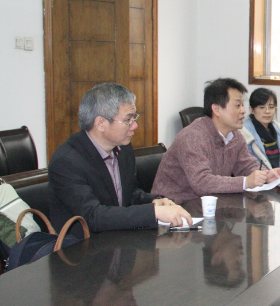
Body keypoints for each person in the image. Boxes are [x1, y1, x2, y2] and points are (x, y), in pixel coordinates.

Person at [48, 83, 192, 235]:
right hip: (81, 245)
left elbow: (128, 193)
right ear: (101, 124)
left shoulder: (123, 148)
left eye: (134, 118)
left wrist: (153, 201)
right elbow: (93, 216)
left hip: (118, 239)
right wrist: (153, 212)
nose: (135, 126)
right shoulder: (66, 162)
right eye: (128, 119)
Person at [152, 78, 280, 204]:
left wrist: (266, 174)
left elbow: (245, 165)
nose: (243, 111)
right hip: (175, 207)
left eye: (242, 105)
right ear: (216, 109)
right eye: (237, 105)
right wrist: (245, 182)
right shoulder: (192, 137)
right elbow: (202, 183)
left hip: (209, 205)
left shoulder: (235, 135)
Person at [240, 87, 280, 171]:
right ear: (251, 110)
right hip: (259, 177)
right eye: (262, 107)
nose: (267, 111)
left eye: (271, 107)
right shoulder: (244, 133)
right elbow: (247, 166)